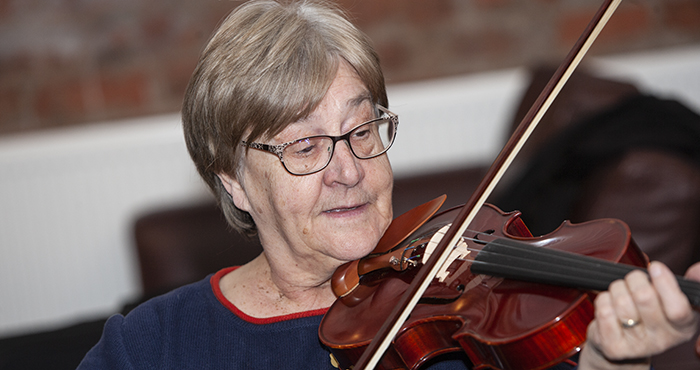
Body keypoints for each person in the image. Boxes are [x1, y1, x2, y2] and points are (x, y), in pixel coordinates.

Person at [78, 1, 700, 369]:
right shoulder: (151, 345)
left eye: (362, 130)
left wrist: (611, 359)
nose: (349, 170)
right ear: (235, 182)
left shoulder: (464, 328)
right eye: (305, 146)